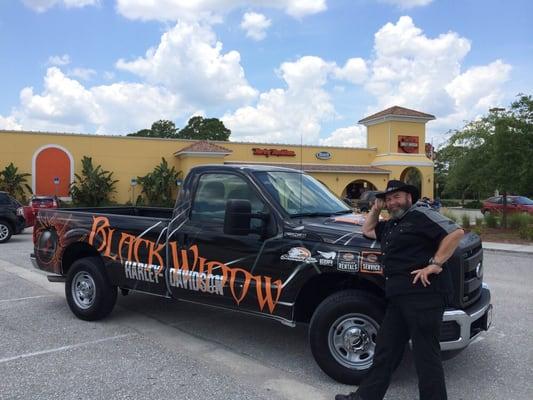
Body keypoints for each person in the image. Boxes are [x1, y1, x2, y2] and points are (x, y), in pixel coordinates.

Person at [335, 180, 464, 400]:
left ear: (409, 198)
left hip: (424, 296)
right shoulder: (392, 225)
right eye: (388, 199)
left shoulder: (421, 215)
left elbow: (455, 233)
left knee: (426, 357)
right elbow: (367, 230)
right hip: (399, 298)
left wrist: (435, 263)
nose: (392, 202)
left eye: (397, 197)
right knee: (385, 352)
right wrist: (375, 209)